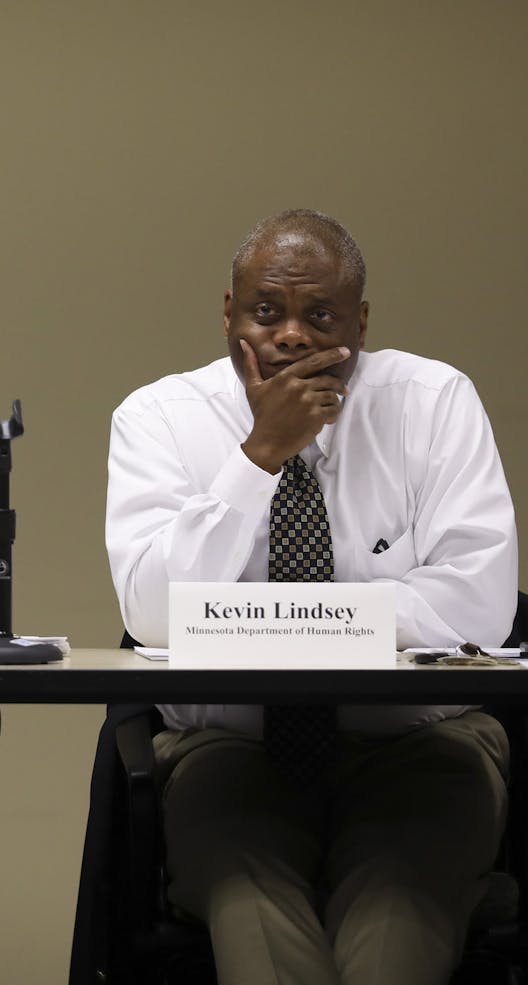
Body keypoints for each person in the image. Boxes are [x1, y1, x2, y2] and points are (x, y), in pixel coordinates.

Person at [105, 209, 518, 985]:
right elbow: (152, 616)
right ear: (228, 313)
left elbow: (479, 606)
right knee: (254, 926)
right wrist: (258, 457)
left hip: (422, 748)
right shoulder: (157, 420)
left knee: (395, 937)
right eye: (267, 312)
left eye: (319, 315)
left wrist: (287, 624)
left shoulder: (435, 402)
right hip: (230, 752)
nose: (291, 336)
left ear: (360, 323)